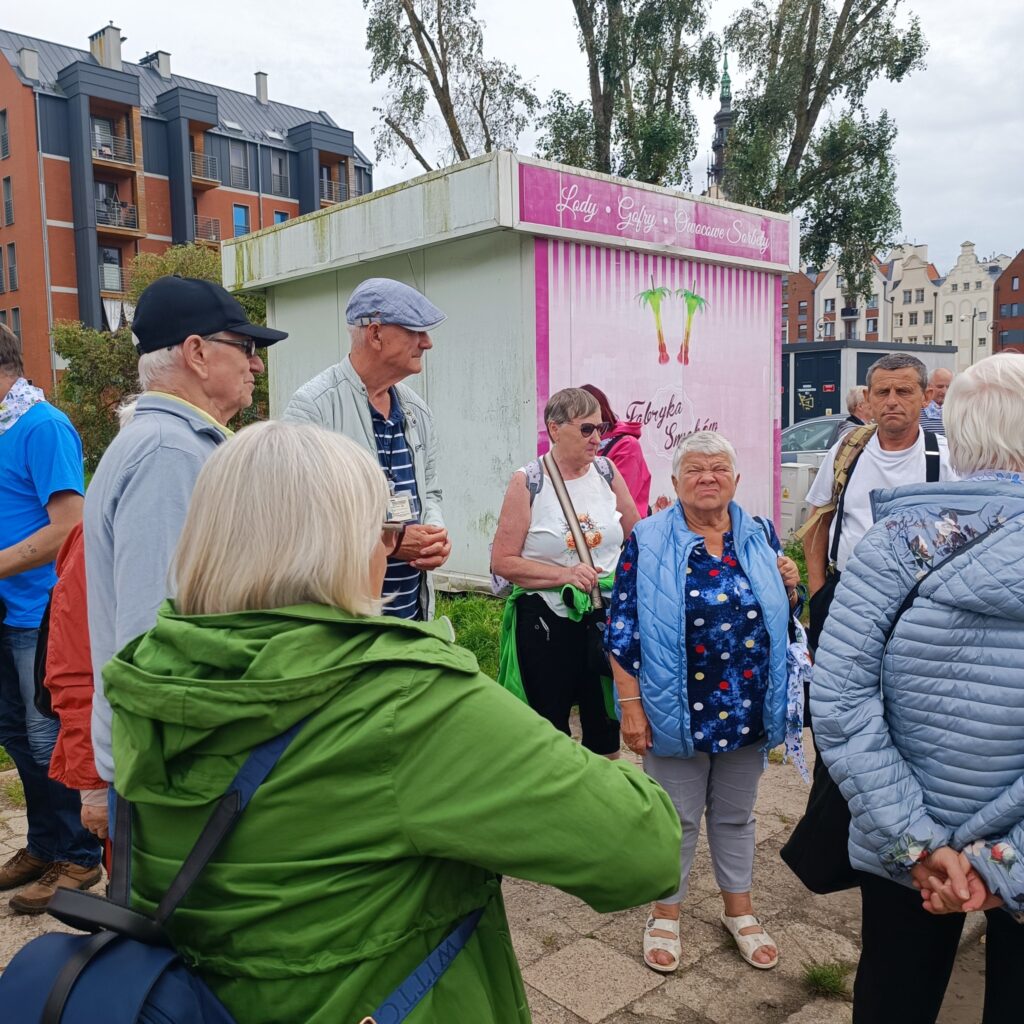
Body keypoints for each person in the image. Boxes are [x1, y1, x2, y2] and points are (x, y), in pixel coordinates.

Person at [101, 420, 682, 1023]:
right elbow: (647, 848)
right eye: (382, 530)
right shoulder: (404, 696)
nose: (388, 547)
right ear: (343, 542)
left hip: (203, 998)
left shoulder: (155, 668)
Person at [811, 353, 1024, 1024]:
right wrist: (1003, 866)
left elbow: (841, 705)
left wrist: (918, 843)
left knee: (893, 999)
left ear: (954, 438)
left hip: (906, 844)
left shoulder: (894, 542)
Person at [84, 275, 288, 825]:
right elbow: (156, 638)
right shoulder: (168, 454)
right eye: (245, 347)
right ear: (197, 352)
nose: (257, 364)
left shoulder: (171, 444)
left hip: (178, 755)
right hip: (179, 766)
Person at [604, 431, 801, 973]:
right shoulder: (646, 538)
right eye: (694, 469)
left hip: (747, 708)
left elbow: (784, 615)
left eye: (718, 469)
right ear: (675, 482)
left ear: (736, 480)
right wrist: (631, 705)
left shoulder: (759, 533)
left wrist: (791, 584)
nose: (707, 478)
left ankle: (738, 910)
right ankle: (665, 912)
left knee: (736, 816)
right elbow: (621, 628)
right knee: (676, 818)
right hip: (675, 707)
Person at [0, 324, 102, 913]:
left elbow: (69, 526)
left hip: (39, 614)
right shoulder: (4, 426)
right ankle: (42, 844)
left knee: (47, 742)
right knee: (16, 736)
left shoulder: (43, 426)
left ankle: (80, 857)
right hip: (7, 609)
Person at [284, 278, 450, 620]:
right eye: (416, 331)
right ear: (375, 334)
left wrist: (433, 535)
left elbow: (430, 491)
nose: (427, 343)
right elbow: (295, 517)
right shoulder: (312, 408)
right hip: (344, 624)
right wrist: (390, 541)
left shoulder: (416, 410)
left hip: (412, 615)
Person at [491, 387, 640, 757]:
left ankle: (600, 805)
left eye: (601, 428)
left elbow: (639, 535)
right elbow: (503, 562)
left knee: (605, 725)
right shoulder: (528, 481)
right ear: (554, 429)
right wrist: (565, 575)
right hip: (546, 621)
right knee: (547, 731)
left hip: (603, 616)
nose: (598, 438)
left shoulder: (606, 471)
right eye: (587, 429)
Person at [801, 354, 957, 651]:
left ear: (925, 398)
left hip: (918, 601)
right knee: (839, 690)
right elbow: (818, 520)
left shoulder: (946, 459)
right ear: (869, 399)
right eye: (883, 392)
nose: (892, 401)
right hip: (846, 594)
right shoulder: (847, 451)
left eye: (904, 391)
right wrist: (819, 591)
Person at [580, 383, 652, 515]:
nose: (594, 439)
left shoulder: (627, 446)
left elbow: (621, 503)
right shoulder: (578, 446)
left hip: (621, 529)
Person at [919, 366, 953, 436]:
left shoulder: (957, 411)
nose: (944, 391)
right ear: (928, 386)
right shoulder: (918, 410)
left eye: (948, 387)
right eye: (940, 387)